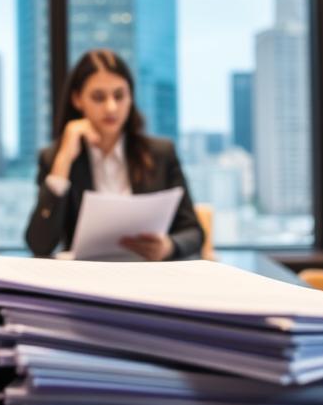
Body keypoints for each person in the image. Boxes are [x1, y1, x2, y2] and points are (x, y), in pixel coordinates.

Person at [25, 48, 204, 260]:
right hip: (85, 281)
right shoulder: (55, 158)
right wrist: (63, 161)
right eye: (98, 97)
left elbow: (194, 232)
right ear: (77, 99)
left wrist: (169, 246)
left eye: (119, 96)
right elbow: (39, 245)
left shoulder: (160, 153)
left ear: (131, 97)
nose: (111, 107)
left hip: (147, 275)